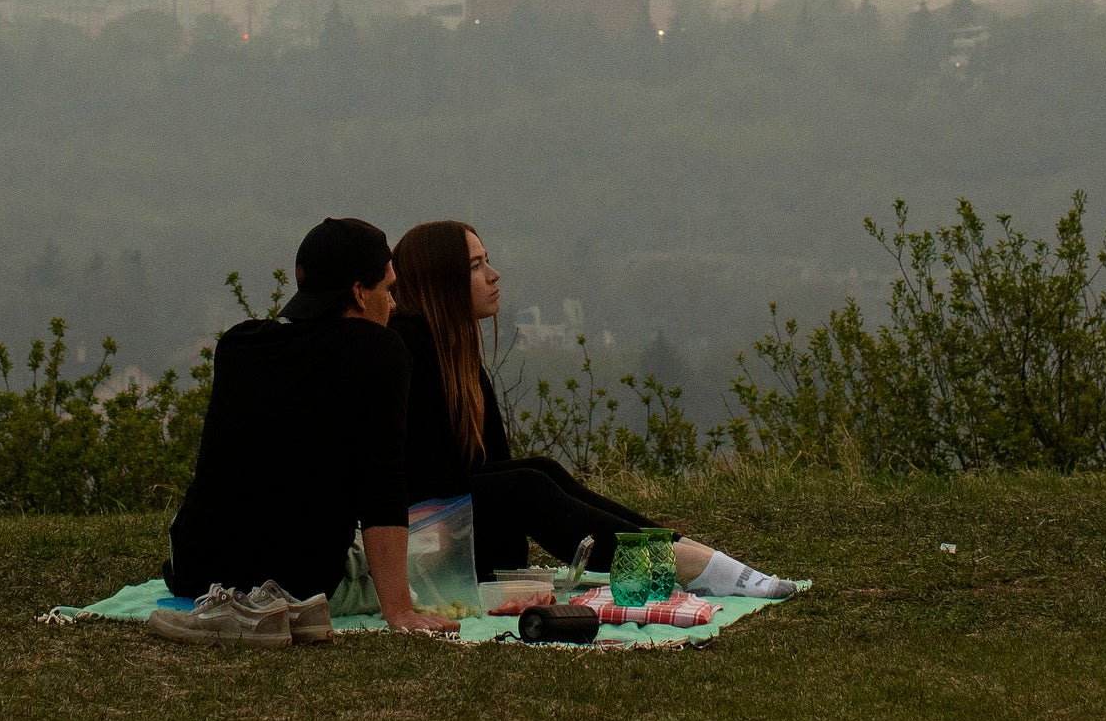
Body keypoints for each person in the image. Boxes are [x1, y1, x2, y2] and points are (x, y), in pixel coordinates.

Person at [389, 219, 796, 600]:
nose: (494, 276)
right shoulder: (407, 350)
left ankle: (687, 556)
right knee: (529, 484)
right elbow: (429, 481)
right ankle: (687, 566)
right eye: (476, 266)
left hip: (455, 537)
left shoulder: (454, 353)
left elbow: (488, 464)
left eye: (487, 261)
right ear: (441, 282)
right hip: (417, 548)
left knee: (541, 470)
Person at [162, 217, 458, 638]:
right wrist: (400, 609)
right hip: (297, 582)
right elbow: (383, 483)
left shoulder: (240, 344)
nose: (393, 305)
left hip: (195, 571)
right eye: (388, 290)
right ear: (358, 292)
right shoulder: (378, 350)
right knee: (437, 544)